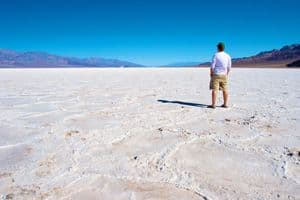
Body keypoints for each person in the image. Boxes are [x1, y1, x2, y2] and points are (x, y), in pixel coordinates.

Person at [208, 42, 231, 109]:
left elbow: (212, 66)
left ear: (218, 47)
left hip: (216, 74)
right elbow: (229, 67)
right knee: (225, 89)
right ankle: (225, 104)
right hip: (224, 75)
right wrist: (226, 73)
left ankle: (213, 105)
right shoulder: (228, 56)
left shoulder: (216, 55)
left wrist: (211, 73)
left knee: (215, 90)